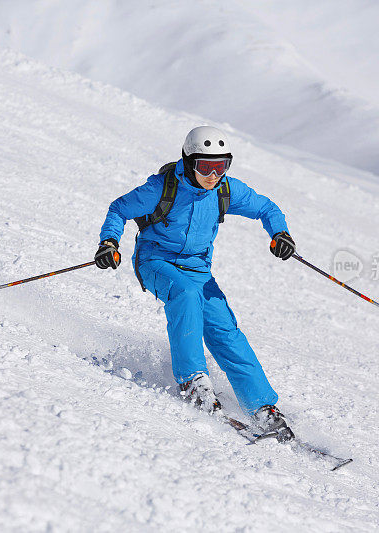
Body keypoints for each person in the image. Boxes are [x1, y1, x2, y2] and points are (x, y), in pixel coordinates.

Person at [94, 126, 297, 441]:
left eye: (222, 166)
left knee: (225, 330)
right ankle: (193, 382)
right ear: (189, 162)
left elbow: (266, 208)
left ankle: (262, 408)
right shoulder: (161, 189)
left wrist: (279, 233)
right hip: (155, 261)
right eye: (206, 166)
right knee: (186, 295)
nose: (214, 175)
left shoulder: (225, 190)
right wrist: (109, 242)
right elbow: (119, 209)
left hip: (198, 268)